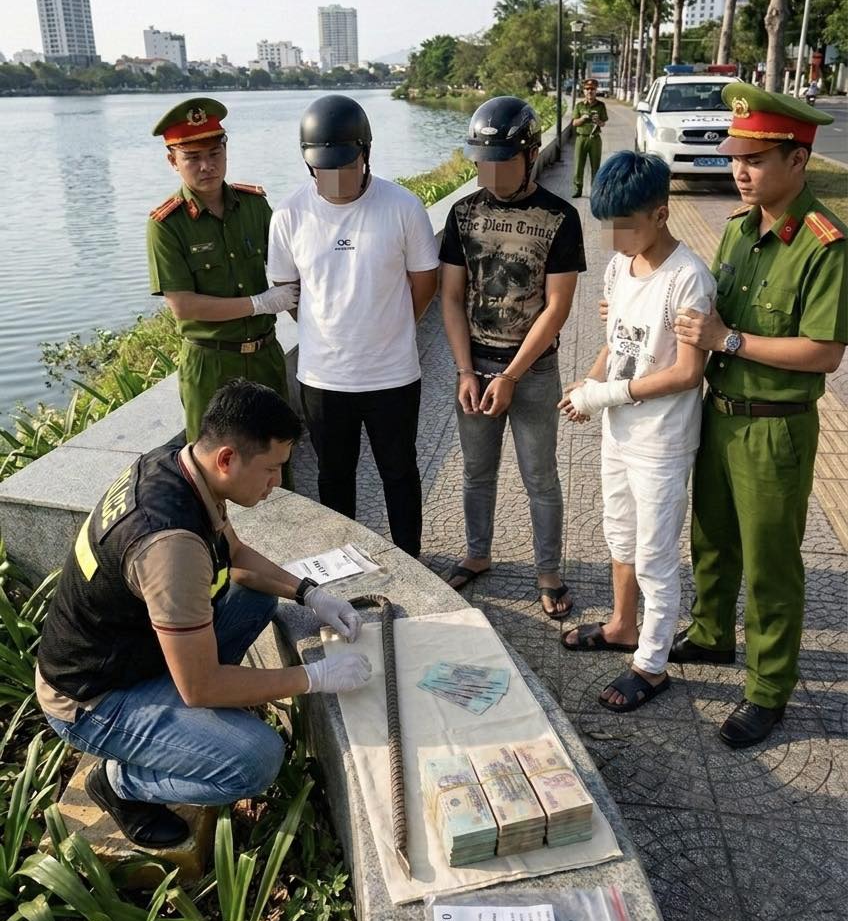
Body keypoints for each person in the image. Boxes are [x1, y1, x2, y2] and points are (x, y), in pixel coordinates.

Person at [36, 379, 371, 846]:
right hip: (92, 699)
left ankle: (176, 728)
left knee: (255, 594)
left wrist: (311, 593)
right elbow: (201, 687)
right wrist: (314, 678)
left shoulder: (177, 464)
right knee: (255, 759)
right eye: (272, 470)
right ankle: (119, 783)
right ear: (228, 458)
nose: (277, 485)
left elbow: (235, 555)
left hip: (131, 651)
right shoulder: (170, 544)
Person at [671, 83, 845, 748]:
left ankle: (769, 688)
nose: (738, 171)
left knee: (771, 562)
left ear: (797, 160)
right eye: (734, 158)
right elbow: (707, 312)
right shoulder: (739, 232)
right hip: (719, 413)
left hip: (776, 427)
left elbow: (824, 353)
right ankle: (712, 635)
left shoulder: (825, 244)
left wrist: (730, 342)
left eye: (756, 159)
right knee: (711, 537)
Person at [559, 151, 716, 711]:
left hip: (662, 441)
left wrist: (607, 395)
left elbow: (686, 372)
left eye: (625, 225)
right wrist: (588, 384)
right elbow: (617, 344)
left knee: (654, 555)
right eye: (608, 226)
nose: (615, 237)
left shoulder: (688, 279)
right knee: (619, 535)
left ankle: (651, 664)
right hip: (620, 431)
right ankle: (623, 624)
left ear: (661, 213)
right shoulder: (619, 267)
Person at [267, 95, 439, 558]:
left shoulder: (402, 205)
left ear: (366, 152)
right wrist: (327, 328)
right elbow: (287, 288)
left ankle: (410, 558)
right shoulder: (288, 214)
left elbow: (425, 280)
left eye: (347, 164)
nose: (336, 178)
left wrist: (393, 326)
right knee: (333, 476)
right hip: (323, 378)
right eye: (325, 168)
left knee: (399, 472)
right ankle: (342, 558)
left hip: (393, 375)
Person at [440, 96, 586, 616]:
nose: (492, 172)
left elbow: (557, 307)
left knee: (539, 475)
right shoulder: (463, 213)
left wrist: (512, 375)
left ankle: (549, 572)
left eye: (502, 161)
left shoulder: (559, 217)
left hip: (534, 370)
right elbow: (451, 297)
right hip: (474, 366)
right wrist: (466, 370)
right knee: (477, 472)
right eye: (483, 161)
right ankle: (477, 554)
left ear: (529, 155)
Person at [147, 98, 297, 444]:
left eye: (214, 154)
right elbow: (184, 306)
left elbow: (288, 266)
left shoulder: (255, 205)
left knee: (275, 454)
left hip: (264, 356)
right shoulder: (167, 225)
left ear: (226, 151)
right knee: (214, 465)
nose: (206, 166)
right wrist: (259, 303)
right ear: (173, 161)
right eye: (192, 158)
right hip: (210, 362)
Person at [571, 78, 608, 198]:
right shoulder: (579, 105)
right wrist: (582, 118)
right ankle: (578, 189)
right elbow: (574, 123)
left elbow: (603, 123)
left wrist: (598, 121)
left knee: (595, 166)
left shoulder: (601, 105)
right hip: (581, 138)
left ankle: (595, 190)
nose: (589, 91)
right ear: (584, 91)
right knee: (578, 165)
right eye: (587, 89)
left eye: (592, 89)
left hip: (595, 139)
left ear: (596, 90)